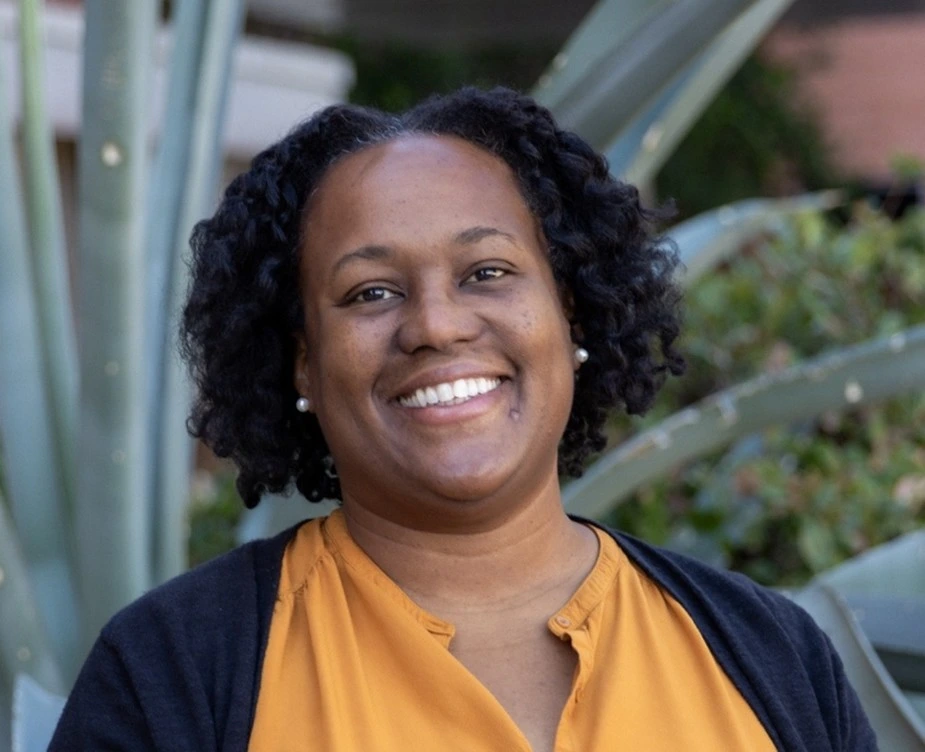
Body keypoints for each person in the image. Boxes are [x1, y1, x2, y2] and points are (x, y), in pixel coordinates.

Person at [50, 87, 875, 751]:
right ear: (301, 359)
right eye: (370, 292)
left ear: (573, 318)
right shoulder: (180, 671)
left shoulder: (770, 657)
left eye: (486, 272)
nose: (436, 326)